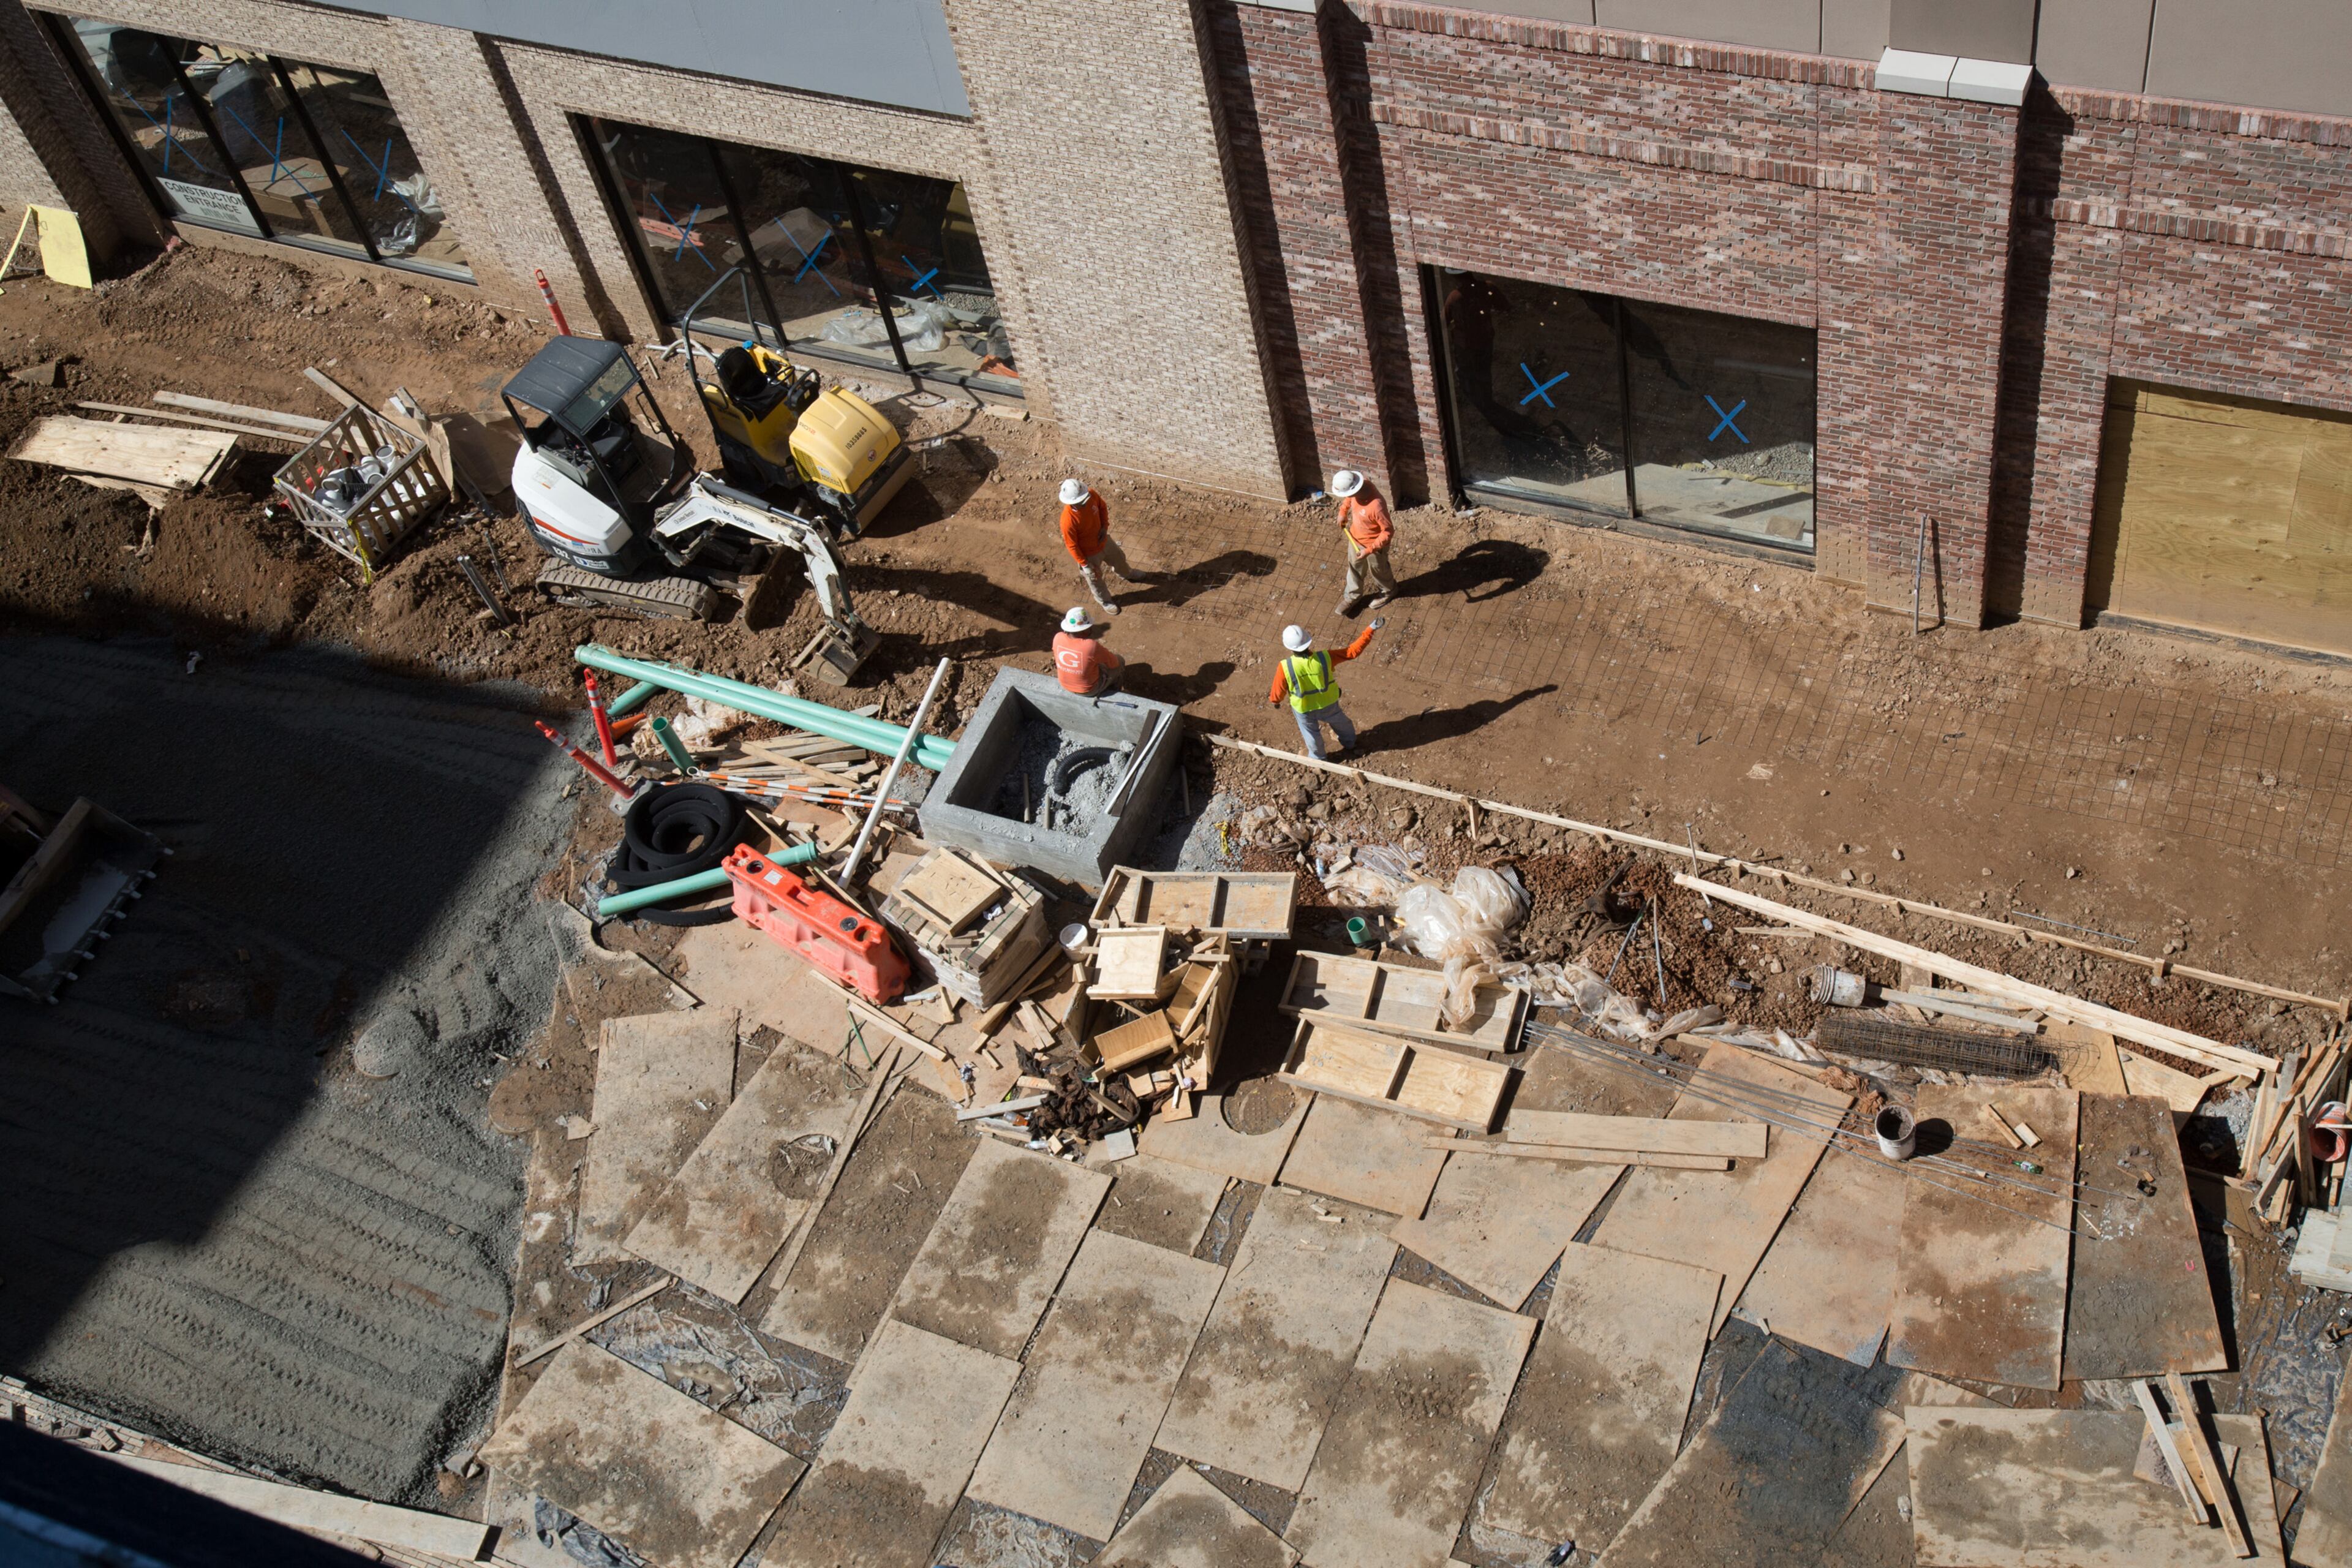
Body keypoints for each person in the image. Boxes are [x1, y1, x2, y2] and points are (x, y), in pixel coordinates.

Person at [1269, 617, 1382, 760]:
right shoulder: (1325, 657)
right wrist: (1370, 629)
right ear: (1308, 641)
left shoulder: (1285, 666)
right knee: (1343, 725)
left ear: (1289, 647)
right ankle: (1350, 743)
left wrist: (1276, 701)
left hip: (1304, 709)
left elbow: (1278, 690)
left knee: (1311, 735)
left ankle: (1319, 759)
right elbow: (1352, 652)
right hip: (1329, 704)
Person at [1058, 478, 1138, 617]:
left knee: (1119, 558)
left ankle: (1127, 574)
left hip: (1104, 541)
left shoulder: (1090, 494)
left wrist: (1104, 527)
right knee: (1095, 579)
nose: (1085, 501)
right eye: (1081, 501)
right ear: (1072, 503)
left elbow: (1102, 507)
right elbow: (1072, 545)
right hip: (1089, 554)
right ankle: (1105, 601)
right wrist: (1085, 564)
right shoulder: (1068, 521)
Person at [1332, 469, 1394, 617]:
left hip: (1374, 546)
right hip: (1355, 539)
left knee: (1379, 571)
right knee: (1354, 569)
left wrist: (1369, 550)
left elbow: (1388, 532)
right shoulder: (1357, 489)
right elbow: (1349, 498)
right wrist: (1342, 512)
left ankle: (1388, 591)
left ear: (1355, 490)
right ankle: (1352, 597)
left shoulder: (1376, 506)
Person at [1051, 606, 1124, 696]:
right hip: (1088, 690)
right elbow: (1114, 663)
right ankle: (1115, 689)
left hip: (1065, 685)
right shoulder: (1090, 646)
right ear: (1084, 630)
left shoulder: (1058, 637)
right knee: (1120, 661)